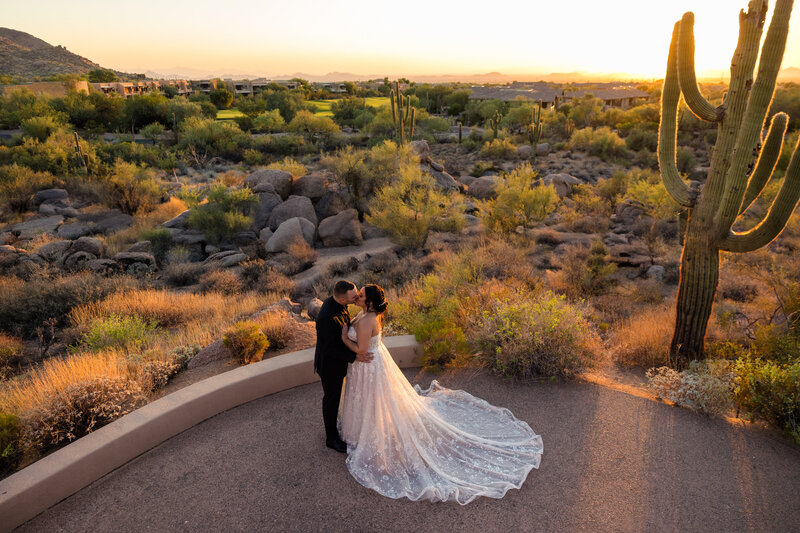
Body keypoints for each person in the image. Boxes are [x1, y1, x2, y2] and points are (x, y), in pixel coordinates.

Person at [339, 284, 543, 505]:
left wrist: (344, 339)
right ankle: (368, 428)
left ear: (369, 301)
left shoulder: (368, 319)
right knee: (374, 401)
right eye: (357, 294)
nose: (357, 297)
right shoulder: (367, 314)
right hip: (371, 364)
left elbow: (360, 350)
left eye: (360, 295)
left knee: (374, 400)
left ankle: (374, 432)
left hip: (369, 366)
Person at [314, 280, 373, 453]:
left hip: (339, 361)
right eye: (354, 297)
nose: (357, 298)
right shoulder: (326, 318)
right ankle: (331, 439)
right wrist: (355, 356)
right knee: (331, 399)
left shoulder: (339, 303)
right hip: (330, 366)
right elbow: (328, 348)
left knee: (339, 397)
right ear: (342, 300)